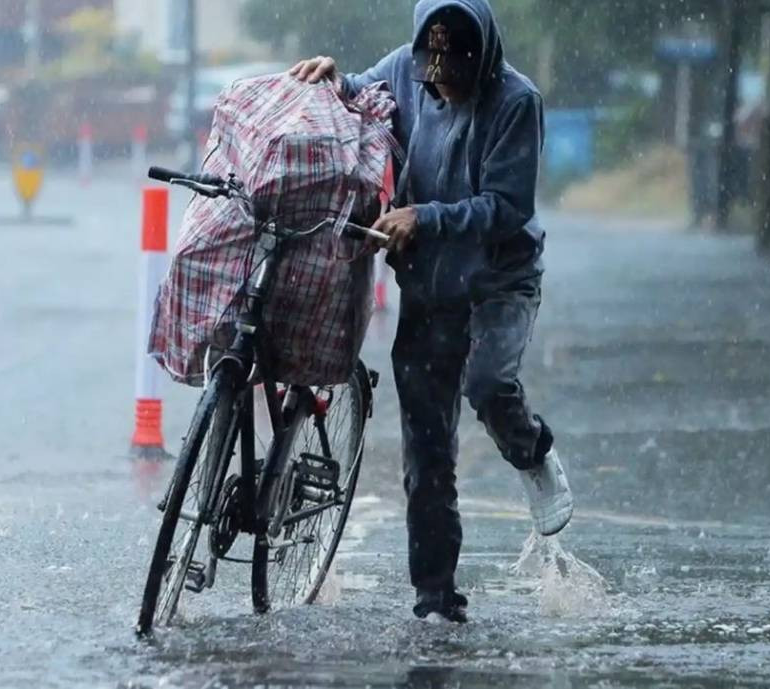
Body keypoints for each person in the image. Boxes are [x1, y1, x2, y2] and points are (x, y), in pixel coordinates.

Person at [290, 0, 572, 623]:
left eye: (455, 75)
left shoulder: (516, 101)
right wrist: (334, 78)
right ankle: (436, 597)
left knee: (489, 385)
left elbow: (507, 206)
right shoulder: (403, 69)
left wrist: (426, 217)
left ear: (483, 59)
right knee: (426, 451)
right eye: (432, 75)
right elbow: (360, 95)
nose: (441, 86)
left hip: (499, 281)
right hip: (428, 286)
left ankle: (531, 451)